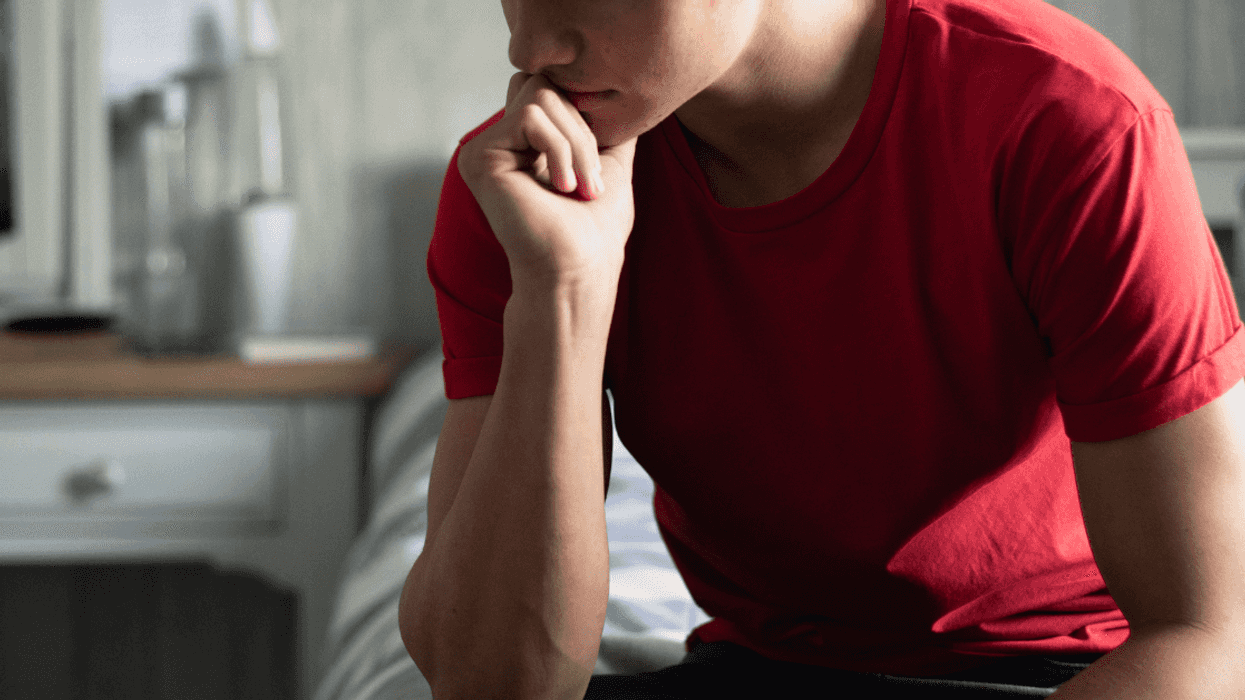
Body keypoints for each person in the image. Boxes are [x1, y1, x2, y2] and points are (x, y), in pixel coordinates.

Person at [398, 0, 1245, 697]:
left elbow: (1208, 632)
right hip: (759, 670)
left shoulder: (1066, 121)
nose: (529, 44)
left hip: (1061, 676)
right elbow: (491, 685)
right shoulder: (519, 192)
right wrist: (564, 289)